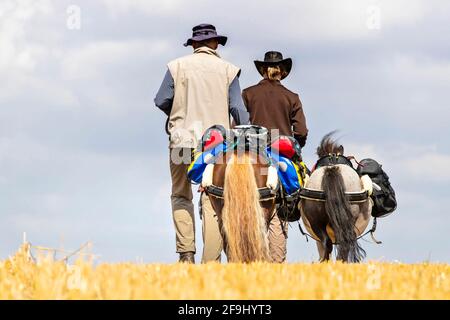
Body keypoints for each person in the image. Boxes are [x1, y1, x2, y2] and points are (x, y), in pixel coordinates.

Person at [154, 24, 249, 263]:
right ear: (216, 44)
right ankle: (211, 259)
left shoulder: (176, 67)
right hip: (216, 146)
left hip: (181, 143)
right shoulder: (228, 70)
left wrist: (178, 112)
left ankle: (186, 253)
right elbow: (238, 109)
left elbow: (161, 100)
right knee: (213, 197)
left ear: (194, 44)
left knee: (181, 194)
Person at [242, 51, 308, 263]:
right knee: (281, 210)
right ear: (283, 72)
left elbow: (238, 126)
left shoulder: (248, 94)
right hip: (280, 158)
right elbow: (302, 132)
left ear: (263, 70)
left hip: (252, 155)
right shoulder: (292, 97)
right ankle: (276, 267)